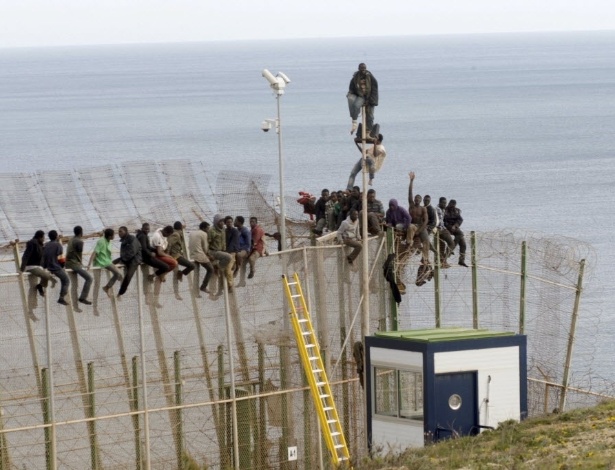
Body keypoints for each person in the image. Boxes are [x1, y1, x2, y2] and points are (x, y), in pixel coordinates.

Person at [20, 230, 56, 312]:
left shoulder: (40, 245)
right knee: (46, 276)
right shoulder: (32, 243)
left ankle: (33, 305)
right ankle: (39, 288)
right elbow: (25, 256)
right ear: (39, 237)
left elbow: (43, 258)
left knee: (33, 288)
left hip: (38, 267)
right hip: (31, 267)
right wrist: (22, 269)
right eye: (43, 237)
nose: (44, 239)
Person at [407, 172, 434, 264]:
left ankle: (425, 259)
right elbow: (410, 192)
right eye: (416, 198)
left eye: (419, 199)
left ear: (421, 200)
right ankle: (409, 244)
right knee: (410, 227)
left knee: (426, 241)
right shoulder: (411, 205)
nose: (417, 200)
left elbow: (426, 220)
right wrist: (411, 181)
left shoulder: (423, 209)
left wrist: (420, 230)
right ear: (414, 199)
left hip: (421, 226)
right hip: (413, 225)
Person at [90, 228, 124, 299]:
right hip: (102, 262)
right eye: (113, 235)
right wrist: (89, 264)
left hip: (107, 261)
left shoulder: (108, 241)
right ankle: (113, 291)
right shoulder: (101, 241)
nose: (114, 236)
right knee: (118, 274)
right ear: (110, 236)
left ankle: (109, 288)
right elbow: (95, 253)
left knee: (119, 276)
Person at [65, 225, 93, 308]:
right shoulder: (79, 242)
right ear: (81, 232)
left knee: (74, 284)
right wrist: (80, 264)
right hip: (74, 264)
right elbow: (79, 253)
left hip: (68, 263)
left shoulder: (71, 240)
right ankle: (83, 297)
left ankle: (77, 303)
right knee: (89, 278)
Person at [347, 62, 378, 135]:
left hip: (369, 98)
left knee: (370, 116)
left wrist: (372, 100)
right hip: (361, 96)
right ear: (358, 69)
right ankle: (354, 122)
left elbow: (374, 89)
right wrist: (351, 94)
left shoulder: (370, 77)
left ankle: (368, 132)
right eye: (361, 69)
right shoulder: (355, 77)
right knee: (355, 106)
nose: (363, 71)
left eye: (364, 69)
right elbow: (352, 87)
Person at [166, 221, 195, 299]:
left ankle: (177, 292)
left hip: (176, 256)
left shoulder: (177, 232)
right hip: (175, 256)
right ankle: (181, 274)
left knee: (176, 275)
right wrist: (168, 255)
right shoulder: (176, 234)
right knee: (191, 265)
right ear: (180, 227)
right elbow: (169, 243)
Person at [42, 230, 70, 305]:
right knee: (66, 280)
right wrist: (62, 266)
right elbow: (61, 259)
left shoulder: (46, 245)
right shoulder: (58, 245)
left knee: (63, 280)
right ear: (56, 236)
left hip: (47, 266)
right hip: (55, 267)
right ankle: (61, 298)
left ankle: (61, 296)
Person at [208, 214, 234, 295]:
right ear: (216, 222)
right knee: (228, 257)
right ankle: (217, 266)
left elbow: (223, 242)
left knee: (227, 266)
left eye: (223, 221)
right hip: (214, 251)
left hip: (221, 251)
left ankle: (222, 287)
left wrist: (225, 250)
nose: (222, 223)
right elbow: (207, 243)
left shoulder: (222, 229)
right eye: (220, 221)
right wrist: (208, 254)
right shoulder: (211, 230)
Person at [114, 226, 142, 297]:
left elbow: (132, 252)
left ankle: (120, 292)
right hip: (126, 258)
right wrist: (121, 259)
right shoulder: (123, 240)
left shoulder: (132, 239)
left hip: (134, 259)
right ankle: (116, 277)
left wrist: (122, 260)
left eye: (121, 231)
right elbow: (123, 253)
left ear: (126, 231)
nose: (119, 233)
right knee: (111, 263)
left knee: (128, 275)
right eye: (118, 232)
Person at [189, 221, 214, 294]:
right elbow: (205, 248)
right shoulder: (204, 234)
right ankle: (203, 286)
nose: (208, 230)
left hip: (192, 255)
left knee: (196, 273)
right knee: (211, 269)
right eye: (207, 228)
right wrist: (209, 256)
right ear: (203, 228)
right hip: (199, 255)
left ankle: (195, 290)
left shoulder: (192, 233)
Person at [444, 199, 468, 267]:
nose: (452, 206)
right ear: (449, 204)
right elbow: (443, 220)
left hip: (455, 227)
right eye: (451, 204)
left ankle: (461, 260)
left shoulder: (456, 211)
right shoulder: (445, 211)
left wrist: (455, 225)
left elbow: (460, 219)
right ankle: (449, 251)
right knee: (460, 234)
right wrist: (449, 226)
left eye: (453, 205)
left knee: (463, 244)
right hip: (447, 227)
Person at [435, 197, 455, 268]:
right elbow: (438, 221)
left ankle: (442, 261)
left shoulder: (443, 209)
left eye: (445, 203)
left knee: (442, 246)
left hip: (442, 228)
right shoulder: (437, 210)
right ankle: (444, 260)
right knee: (452, 243)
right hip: (440, 229)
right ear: (439, 202)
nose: (444, 204)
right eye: (443, 203)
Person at [234, 216, 252, 286]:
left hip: (245, 250)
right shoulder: (237, 230)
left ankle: (236, 269)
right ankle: (242, 282)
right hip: (238, 250)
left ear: (239, 222)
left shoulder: (245, 231)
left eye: (235, 221)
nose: (234, 222)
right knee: (242, 266)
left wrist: (241, 249)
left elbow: (248, 244)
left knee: (238, 255)